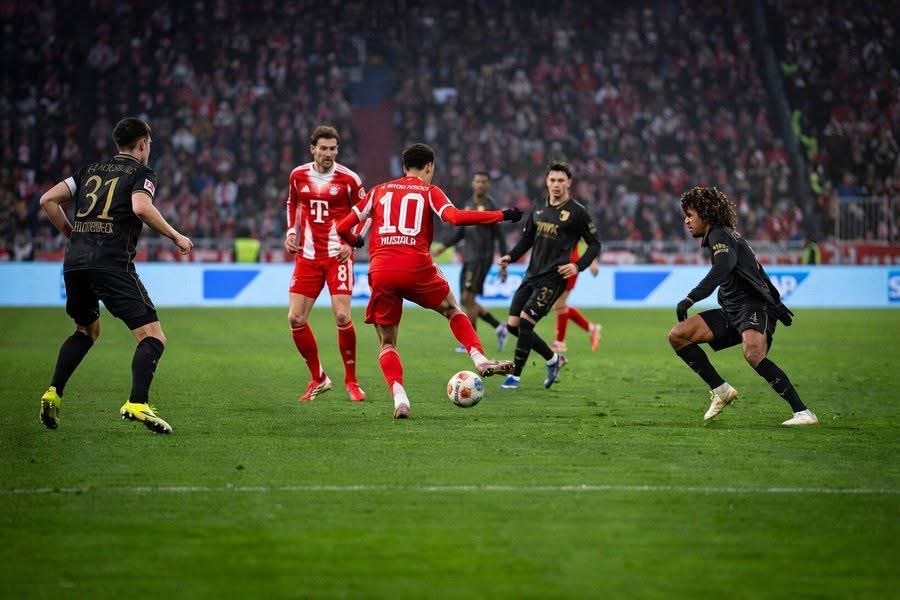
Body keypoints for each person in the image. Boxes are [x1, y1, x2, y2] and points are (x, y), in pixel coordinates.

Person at [336, 143, 522, 419]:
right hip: (417, 266)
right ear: (429, 166)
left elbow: (342, 227)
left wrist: (355, 241)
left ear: (404, 167)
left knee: (387, 343)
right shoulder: (428, 190)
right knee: (453, 309)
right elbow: (454, 217)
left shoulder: (378, 191)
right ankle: (479, 358)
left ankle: (400, 398)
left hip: (382, 269)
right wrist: (502, 215)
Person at [37, 117, 193, 434]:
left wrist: (73, 234)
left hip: (75, 262)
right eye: (149, 144)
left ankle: (53, 392)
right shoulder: (141, 173)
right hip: (111, 262)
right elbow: (141, 207)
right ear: (142, 144)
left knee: (86, 331)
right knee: (152, 336)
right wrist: (176, 236)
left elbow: (47, 200)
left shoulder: (88, 171)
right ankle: (137, 402)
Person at [667, 186, 817, 426]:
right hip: (733, 309)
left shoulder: (719, 235)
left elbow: (722, 267)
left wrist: (691, 298)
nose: (686, 221)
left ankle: (803, 412)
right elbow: (753, 271)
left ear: (705, 214)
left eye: (690, 215)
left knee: (753, 353)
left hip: (753, 306)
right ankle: (720, 390)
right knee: (678, 335)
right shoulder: (725, 235)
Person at [497, 162, 602, 390]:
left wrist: (578, 266)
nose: (556, 184)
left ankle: (514, 376)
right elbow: (527, 240)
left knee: (526, 322)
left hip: (554, 278)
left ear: (569, 183)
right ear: (547, 181)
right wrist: (510, 257)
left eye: (561, 180)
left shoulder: (577, 212)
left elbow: (595, 244)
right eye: (552, 180)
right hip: (531, 275)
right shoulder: (538, 207)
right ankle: (554, 359)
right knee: (513, 326)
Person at [285, 125, 368, 403]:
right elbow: (292, 203)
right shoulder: (298, 175)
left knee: (342, 316)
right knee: (295, 318)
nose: (328, 153)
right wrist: (292, 231)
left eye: (333, 149)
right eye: (323, 148)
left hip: (337, 256)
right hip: (308, 257)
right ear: (313, 149)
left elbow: (366, 212)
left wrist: (351, 243)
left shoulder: (349, 179)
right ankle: (318, 378)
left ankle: (352, 381)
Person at [430, 171, 509, 352]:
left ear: (488, 185)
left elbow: (500, 237)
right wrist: (443, 247)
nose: (480, 184)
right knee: (467, 301)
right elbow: (460, 232)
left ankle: (470, 343)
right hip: (468, 257)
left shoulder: (491, 206)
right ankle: (499, 327)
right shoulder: (467, 204)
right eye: (477, 181)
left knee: (467, 298)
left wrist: (504, 263)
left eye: (483, 182)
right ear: (473, 183)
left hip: (481, 259)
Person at [550, 246, 601, 353]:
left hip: (569, 264)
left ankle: (560, 343)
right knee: (559, 305)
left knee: (559, 304)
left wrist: (593, 262)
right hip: (557, 262)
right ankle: (591, 328)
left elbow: (589, 240)